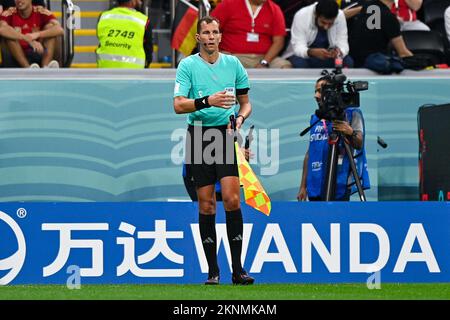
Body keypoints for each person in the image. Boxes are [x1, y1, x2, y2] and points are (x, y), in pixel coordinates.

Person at [173, 16, 254, 285]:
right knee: (207, 205)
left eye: (215, 32)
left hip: (225, 135)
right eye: (205, 32)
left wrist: (240, 118)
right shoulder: (187, 66)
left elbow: (245, 103)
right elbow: (178, 105)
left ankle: (238, 269)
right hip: (198, 135)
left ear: (221, 36)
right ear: (198, 38)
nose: (210, 36)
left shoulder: (233, 64)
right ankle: (212, 271)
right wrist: (208, 100)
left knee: (232, 199)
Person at [297, 75, 370, 201]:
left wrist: (350, 131)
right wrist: (303, 186)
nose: (316, 95)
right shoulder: (316, 118)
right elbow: (310, 153)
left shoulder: (352, 114)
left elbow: (359, 144)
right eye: (315, 91)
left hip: (340, 181)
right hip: (315, 183)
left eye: (320, 91)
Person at [211, 0, 291, 68]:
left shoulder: (274, 9)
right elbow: (209, 30)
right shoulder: (228, 4)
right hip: (233, 56)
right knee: (225, 64)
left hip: (264, 57)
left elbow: (279, 42)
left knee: (285, 66)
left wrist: (264, 62)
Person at [283, 0, 354, 68]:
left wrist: (339, 52)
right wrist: (311, 52)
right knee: (300, 63)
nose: (326, 27)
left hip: (329, 57)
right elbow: (297, 47)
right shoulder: (301, 15)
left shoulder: (340, 16)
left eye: (330, 24)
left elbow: (343, 43)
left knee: (348, 61)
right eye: (323, 22)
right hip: (307, 56)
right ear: (316, 14)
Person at [348, 0, 413, 71]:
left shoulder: (365, 8)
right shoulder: (389, 17)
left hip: (355, 63)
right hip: (374, 66)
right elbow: (403, 53)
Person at [0, 0, 63, 68]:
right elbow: (2, 29)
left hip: (38, 51)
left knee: (50, 27)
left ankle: (46, 67)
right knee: (9, 34)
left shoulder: (40, 11)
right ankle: (28, 68)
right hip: (16, 55)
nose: (19, 0)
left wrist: (37, 34)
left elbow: (59, 29)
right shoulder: (9, 12)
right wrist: (26, 38)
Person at [96, 0, 152, 68]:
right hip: (135, 72)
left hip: (105, 69)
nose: (140, 2)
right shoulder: (143, 20)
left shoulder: (103, 17)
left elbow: (101, 40)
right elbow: (148, 50)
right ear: (132, 1)